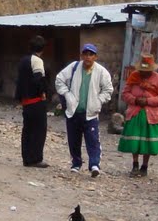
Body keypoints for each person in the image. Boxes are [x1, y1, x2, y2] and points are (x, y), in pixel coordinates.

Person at [55, 42, 115, 177]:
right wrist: (67, 94)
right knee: (73, 139)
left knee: (93, 139)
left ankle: (94, 164)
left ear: (95, 57)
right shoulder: (74, 67)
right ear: (82, 55)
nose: (88, 57)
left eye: (91, 55)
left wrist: (98, 101)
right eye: (86, 54)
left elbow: (108, 90)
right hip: (74, 111)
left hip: (91, 113)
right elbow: (59, 79)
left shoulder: (101, 72)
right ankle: (76, 163)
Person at [117, 52, 158, 177]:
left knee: (148, 141)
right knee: (135, 140)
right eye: (142, 70)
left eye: (147, 71)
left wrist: (147, 101)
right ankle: (135, 164)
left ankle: (144, 166)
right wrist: (135, 100)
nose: (144, 73)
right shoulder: (134, 77)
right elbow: (125, 93)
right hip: (135, 113)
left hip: (151, 115)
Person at [15, 34, 51, 168]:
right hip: (36, 101)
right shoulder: (37, 61)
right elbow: (38, 79)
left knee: (27, 130)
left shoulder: (23, 60)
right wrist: (43, 92)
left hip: (26, 101)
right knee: (39, 130)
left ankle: (27, 158)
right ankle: (36, 158)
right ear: (42, 48)